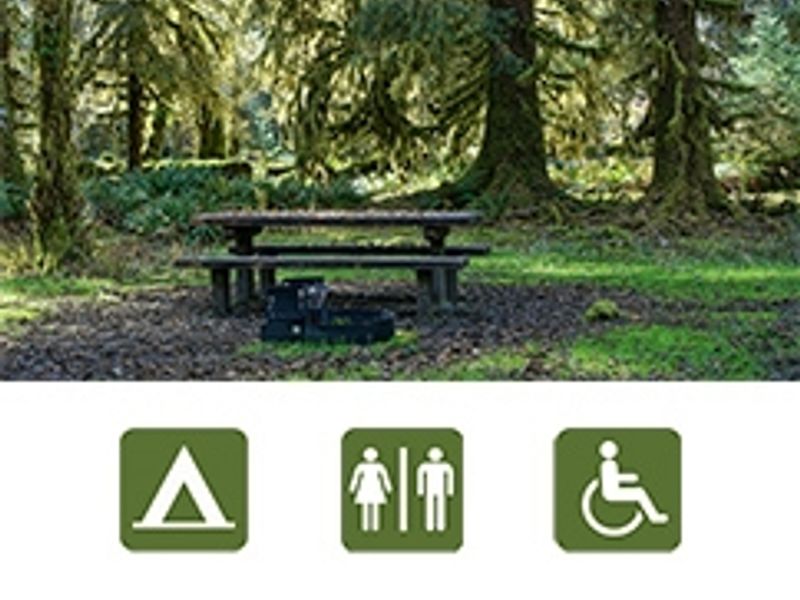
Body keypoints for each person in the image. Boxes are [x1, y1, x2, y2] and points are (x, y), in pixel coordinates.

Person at [599, 440, 669, 524]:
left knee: (640, 491)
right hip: (612, 493)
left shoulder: (609, 464)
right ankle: (653, 516)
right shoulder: (608, 465)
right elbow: (613, 479)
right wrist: (630, 477)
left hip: (614, 491)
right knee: (640, 493)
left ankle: (653, 515)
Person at [348, 447, 393, 532]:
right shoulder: (361, 466)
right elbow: (355, 477)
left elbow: (384, 477)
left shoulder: (379, 466)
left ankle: (375, 526)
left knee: (375, 507)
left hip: (375, 488)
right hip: (365, 488)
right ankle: (365, 526)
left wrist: (388, 488)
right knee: (365, 507)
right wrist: (352, 488)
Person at [416, 446, 455, 532]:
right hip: (429, 489)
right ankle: (429, 525)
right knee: (429, 506)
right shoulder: (424, 466)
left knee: (441, 506)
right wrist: (420, 490)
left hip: (441, 489)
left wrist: (449, 490)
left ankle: (441, 526)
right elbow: (420, 478)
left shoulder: (446, 466)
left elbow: (450, 478)